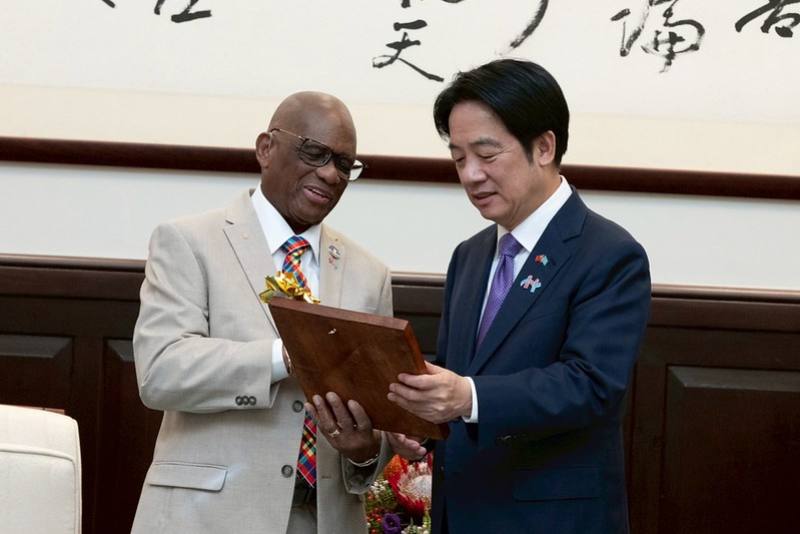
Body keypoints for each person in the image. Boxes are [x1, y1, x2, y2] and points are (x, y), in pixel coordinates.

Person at [387, 59, 651, 533]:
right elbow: (457, 376)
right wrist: (423, 425)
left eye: (486, 155)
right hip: (462, 513)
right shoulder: (469, 256)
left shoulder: (609, 253)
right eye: (458, 158)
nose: (470, 175)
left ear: (544, 146)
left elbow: (590, 385)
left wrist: (465, 397)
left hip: (551, 518)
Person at [131, 91, 393, 534]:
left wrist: (364, 450)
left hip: (324, 519)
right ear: (266, 148)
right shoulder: (189, 242)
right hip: (207, 518)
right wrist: (284, 355)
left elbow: (376, 422)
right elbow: (160, 372)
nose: (330, 174)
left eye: (345, 164)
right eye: (315, 153)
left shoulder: (371, 275)